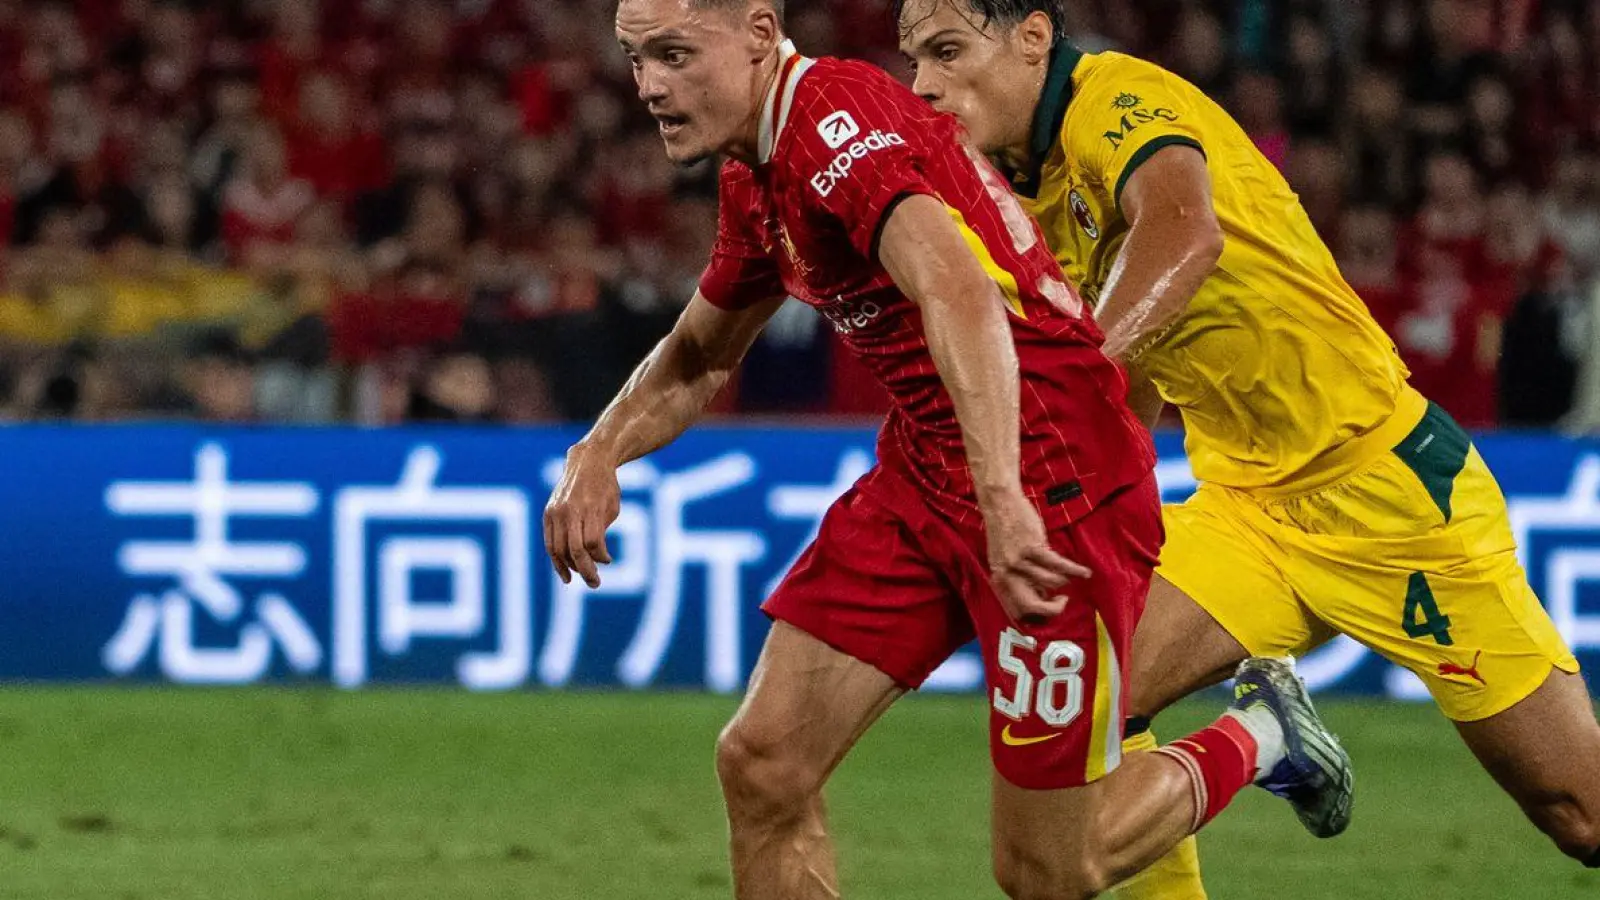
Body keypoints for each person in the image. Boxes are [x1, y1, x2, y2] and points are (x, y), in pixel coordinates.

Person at [545, 2, 1354, 898]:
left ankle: (1260, 734)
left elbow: (960, 293)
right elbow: (701, 353)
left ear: (758, 33)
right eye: (635, 58)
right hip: (930, 470)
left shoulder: (836, 123)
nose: (650, 84)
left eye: (673, 54)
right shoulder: (758, 173)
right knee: (764, 761)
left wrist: (1006, 496)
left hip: (1054, 481)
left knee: (1047, 872)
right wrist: (598, 451)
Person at [896, 0, 1600, 886]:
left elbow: (1183, 235)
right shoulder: (1016, 184)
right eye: (915, 59)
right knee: (1092, 705)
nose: (924, 84)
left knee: (1580, 815)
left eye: (948, 51)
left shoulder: (1116, 102)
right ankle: (1270, 735)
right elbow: (1135, 349)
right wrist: (1095, 503)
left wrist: (1061, 396)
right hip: (1246, 505)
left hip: (1388, 489)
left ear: (1033, 38)